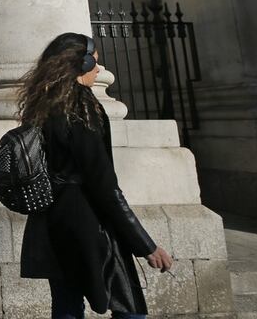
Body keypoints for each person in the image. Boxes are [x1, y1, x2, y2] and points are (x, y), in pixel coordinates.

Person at [17, 33, 173, 319]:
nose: (99, 70)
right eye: (95, 62)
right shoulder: (82, 109)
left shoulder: (41, 105)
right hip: (90, 223)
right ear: (79, 63)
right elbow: (104, 186)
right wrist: (146, 245)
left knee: (66, 305)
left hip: (52, 221)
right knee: (129, 307)